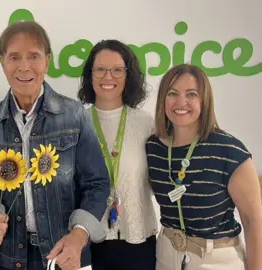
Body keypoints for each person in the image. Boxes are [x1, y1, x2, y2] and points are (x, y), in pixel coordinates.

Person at [0, 21, 110, 270]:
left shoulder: (74, 114)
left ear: (47, 61)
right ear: (2, 62)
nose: (24, 66)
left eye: (34, 56)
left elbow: (97, 183)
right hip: (11, 258)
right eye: (14, 57)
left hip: (67, 256)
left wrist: (79, 236)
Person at [145, 64, 262, 270]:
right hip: (166, 256)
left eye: (191, 94)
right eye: (172, 93)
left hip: (215, 260)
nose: (181, 102)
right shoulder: (153, 147)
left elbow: (252, 221)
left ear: (204, 100)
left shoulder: (229, 150)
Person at [77, 39, 158, 270]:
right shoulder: (76, 122)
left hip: (138, 240)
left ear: (128, 75)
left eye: (117, 70)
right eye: (100, 69)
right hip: (89, 242)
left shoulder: (146, 123)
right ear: (90, 75)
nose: (108, 77)